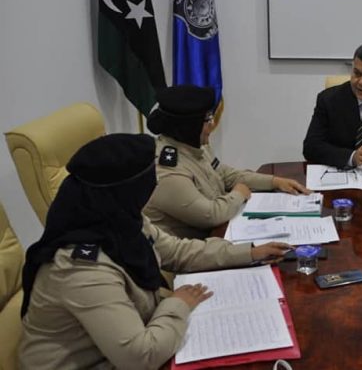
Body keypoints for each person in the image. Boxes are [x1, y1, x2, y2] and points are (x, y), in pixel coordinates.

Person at [18, 134, 291, 370]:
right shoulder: (81, 269)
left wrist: (249, 253)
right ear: (129, 191)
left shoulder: (120, 220)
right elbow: (140, 357)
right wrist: (178, 304)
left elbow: (177, 251)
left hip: (134, 336)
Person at [143, 85, 310, 239]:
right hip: (191, 250)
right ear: (188, 126)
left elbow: (224, 174)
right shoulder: (167, 170)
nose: (213, 124)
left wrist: (274, 181)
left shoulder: (193, 145)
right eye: (207, 119)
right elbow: (209, 215)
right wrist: (239, 194)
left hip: (217, 234)